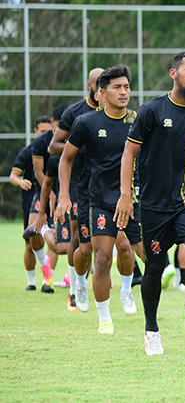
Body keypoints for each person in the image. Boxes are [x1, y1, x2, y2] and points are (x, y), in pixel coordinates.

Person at [115, 51, 185, 356]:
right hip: (154, 205)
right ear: (174, 74)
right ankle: (151, 329)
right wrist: (127, 195)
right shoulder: (152, 110)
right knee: (155, 266)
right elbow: (129, 153)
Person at [55, 65, 141, 333]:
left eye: (126, 87)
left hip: (132, 199)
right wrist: (64, 196)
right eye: (117, 87)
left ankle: (127, 291)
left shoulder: (138, 120)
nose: (123, 92)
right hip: (97, 199)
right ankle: (100, 311)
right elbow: (65, 158)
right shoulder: (86, 122)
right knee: (97, 255)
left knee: (129, 248)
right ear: (101, 92)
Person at [49, 68, 111, 302]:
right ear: (90, 86)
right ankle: (76, 288)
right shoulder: (75, 113)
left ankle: (109, 281)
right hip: (79, 182)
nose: (101, 87)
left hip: (108, 183)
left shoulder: (117, 112)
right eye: (97, 83)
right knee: (78, 235)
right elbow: (54, 146)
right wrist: (82, 145)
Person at [10, 116, 54, 292]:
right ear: (36, 132)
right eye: (41, 131)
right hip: (32, 199)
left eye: (48, 130)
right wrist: (20, 182)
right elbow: (13, 175)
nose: (45, 134)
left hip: (56, 197)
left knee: (56, 241)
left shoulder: (58, 149)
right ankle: (31, 282)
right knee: (30, 241)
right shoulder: (27, 152)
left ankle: (47, 281)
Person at [28, 104, 68, 291]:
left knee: (63, 240)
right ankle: (43, 263)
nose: (62, 128)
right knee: (32, 233)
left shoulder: (74, 138)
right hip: (43, 189)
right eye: (60, 124)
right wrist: (51, 195)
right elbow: (38, 172)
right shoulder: (41, 142)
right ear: (53, 123)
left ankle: (47, 281)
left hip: (67, 192)